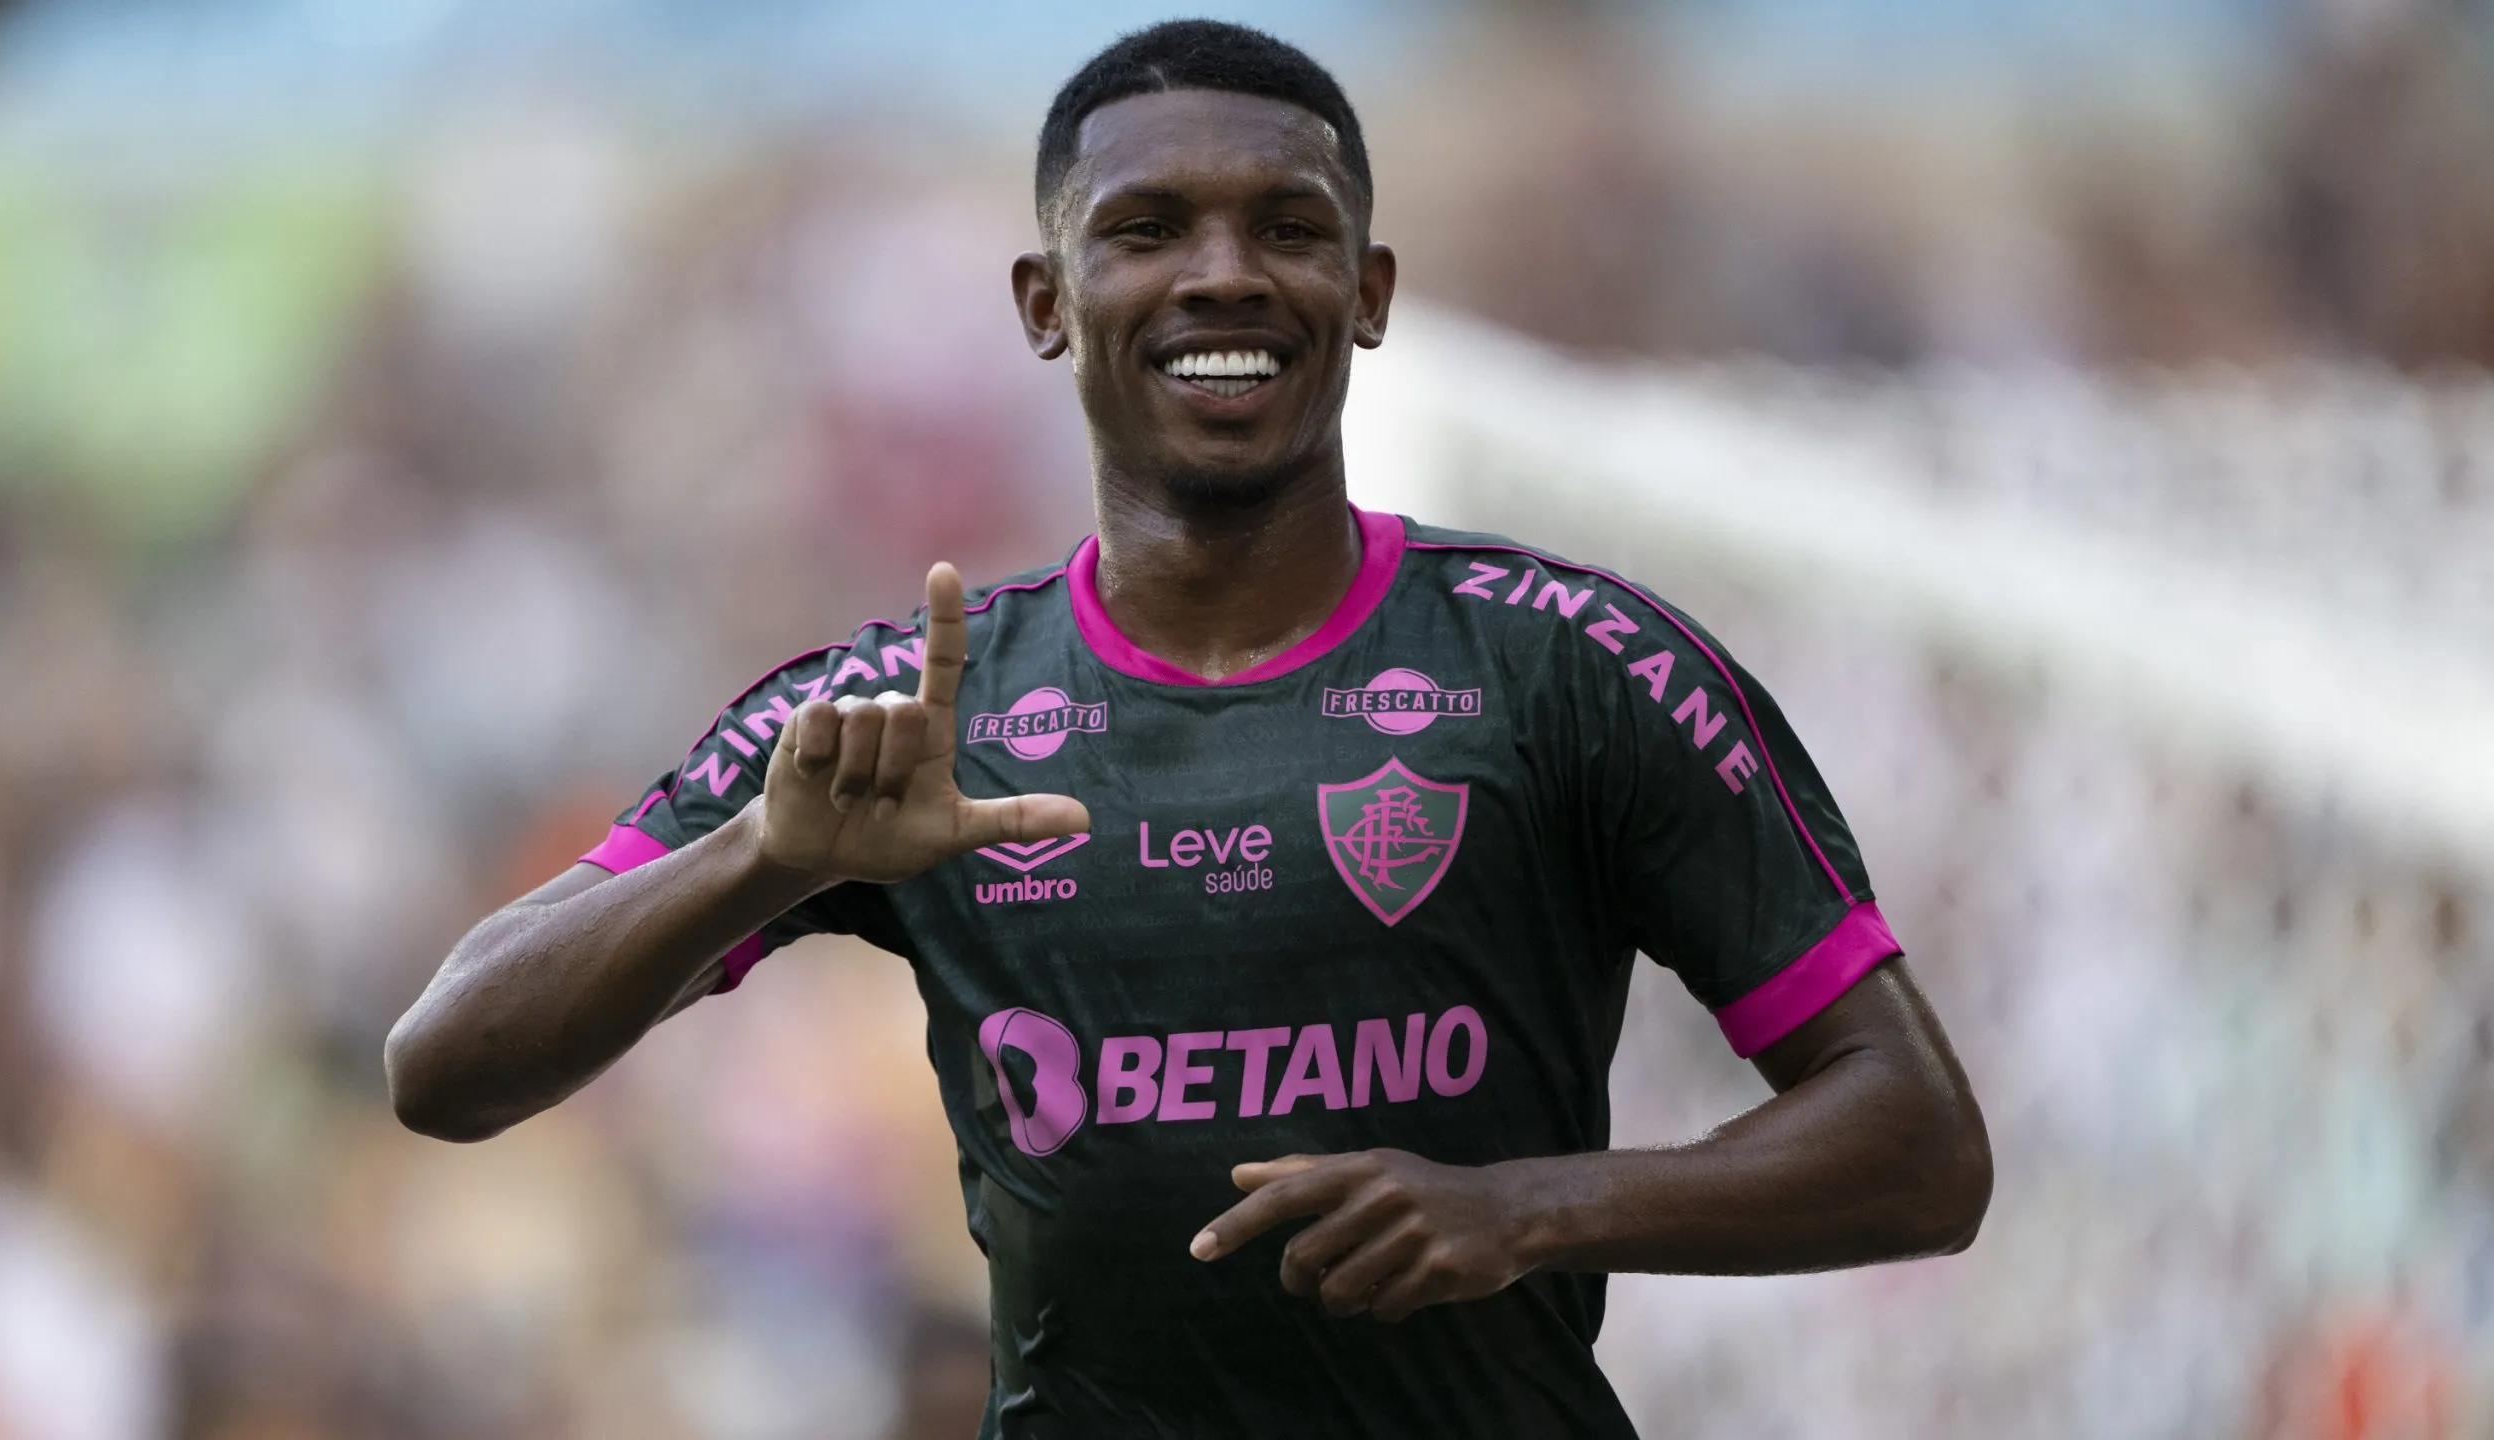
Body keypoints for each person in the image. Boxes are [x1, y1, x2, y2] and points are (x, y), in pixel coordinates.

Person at [385, 19, 1992, 1436]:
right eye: (1146, 229)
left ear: (1366, 293)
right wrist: (757, 858)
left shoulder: (1573, 667)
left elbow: (1920, 1147)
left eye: (1287, 228)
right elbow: (446, 1063)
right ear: (1045, 300)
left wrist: (1527, 1210)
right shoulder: (917, 712)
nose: (1223, 273)